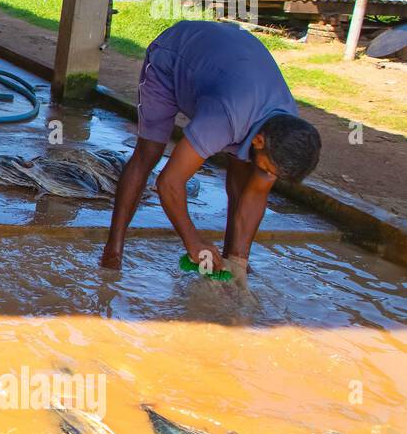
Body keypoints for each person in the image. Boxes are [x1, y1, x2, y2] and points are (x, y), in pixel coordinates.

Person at [101, 20, 322, 281]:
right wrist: (193, 241)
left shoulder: (286, 128)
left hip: (225, 71)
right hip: (173, 58)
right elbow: (169, 183)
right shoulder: (224, 118)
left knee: (243, 172)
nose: (264, 176)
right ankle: (112, 250)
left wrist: (239, 264)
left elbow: (256, 193)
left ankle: (230, 258)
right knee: (149, 152)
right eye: (267, 170)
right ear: (259, 140)